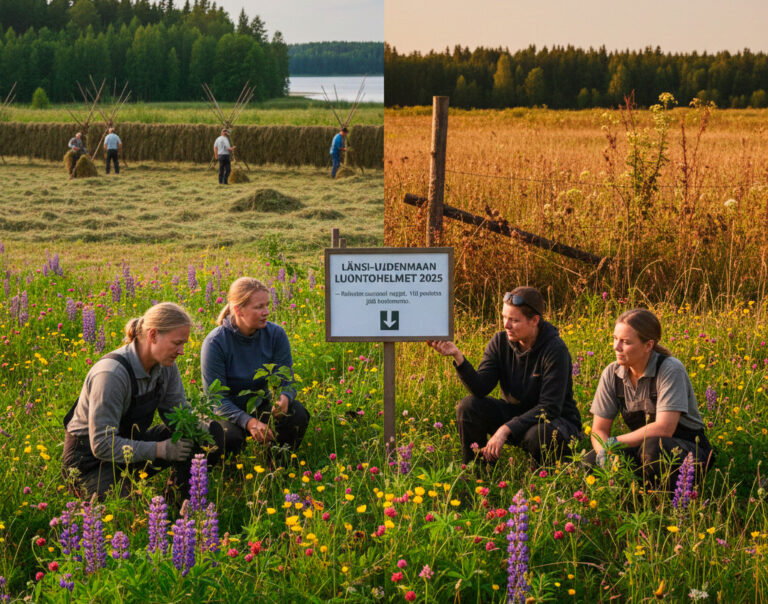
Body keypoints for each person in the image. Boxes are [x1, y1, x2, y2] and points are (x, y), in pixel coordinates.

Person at [62, 302, 204, 500]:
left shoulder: (166, 365)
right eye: (176, 343)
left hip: (130, 443)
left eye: (184, 344)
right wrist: (161, 450)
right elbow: (102, 444)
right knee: (128, 507)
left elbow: (178, 414)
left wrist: (205, 431)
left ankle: (181, 502)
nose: (181, 351)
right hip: (89, 461)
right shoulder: (111, 374)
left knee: (190, 435)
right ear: (153, 335)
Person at [428, 286, 582, 466]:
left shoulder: (555, 350)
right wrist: (457, 356)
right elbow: (481, 388)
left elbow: (550, 408)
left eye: (514, 320)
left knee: (537, 435)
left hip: (555, 423)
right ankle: (478, 473)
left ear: (534, 320)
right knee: (468, 406)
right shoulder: (500, 342)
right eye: (504, 317)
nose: (506, 325)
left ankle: (542, 480)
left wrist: (505, 429)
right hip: (515, 414)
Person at [585, 309, 714, 486]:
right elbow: (598, 429)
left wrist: (614, 443)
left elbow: (664, 428)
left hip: (687, 449)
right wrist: (605, 453)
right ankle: (627, 502)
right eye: (615, 339)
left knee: (652, 449)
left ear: (648, 345)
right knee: (589, 461)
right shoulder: (612, 373)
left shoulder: (669, 369)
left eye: (626, 342)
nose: (616, 347)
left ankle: (664, 505)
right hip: (643, 447)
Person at [201, 277, 310, 462]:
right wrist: (249, 422)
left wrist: (284, 398)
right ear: (238, 309)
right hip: (227, 413)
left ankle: (277, 465)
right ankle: (231, 470)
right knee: (230, 436)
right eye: (259, 307)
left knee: (297, 413)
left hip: (260, 405)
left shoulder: (275, 334)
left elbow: (287, 380)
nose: (266, 312)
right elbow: (216, 400)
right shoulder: (216, 343)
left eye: (267, 305)